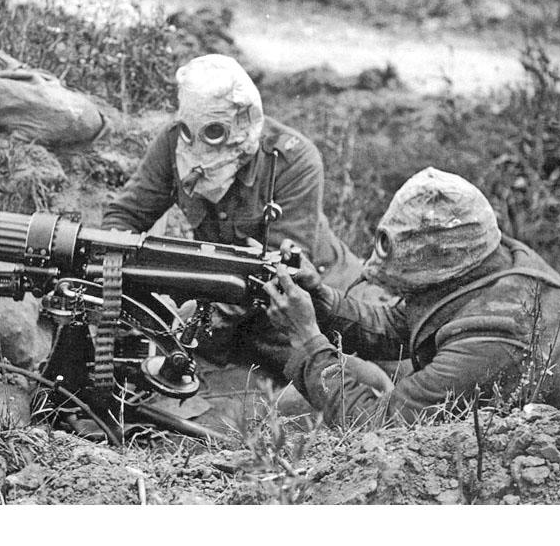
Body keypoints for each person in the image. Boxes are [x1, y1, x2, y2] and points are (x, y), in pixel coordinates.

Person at [263, 167, 560, 426]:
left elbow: (377, 427)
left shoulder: (494, 334)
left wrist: (308, 340)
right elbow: (404, 324)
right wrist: (322, 299)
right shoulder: (490, 261)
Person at [102, 54, 372, 374]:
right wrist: (117, 284)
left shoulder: (292, 160)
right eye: (192, 130)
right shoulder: (174, 143)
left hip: (309, 300)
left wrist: (197, 317)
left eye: (215, 131)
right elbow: (125, 216)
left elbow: (280, 274)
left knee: (333, 381)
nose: (200, 145)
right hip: (228, 298)